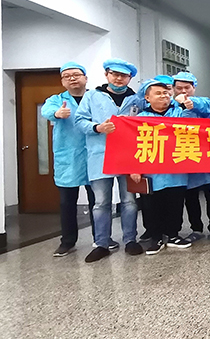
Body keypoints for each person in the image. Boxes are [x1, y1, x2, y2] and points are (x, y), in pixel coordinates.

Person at [75, 58, 143, 263]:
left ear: (130, 78)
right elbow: (79, 121)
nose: (119, 79)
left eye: (124, 75)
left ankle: (130, 240)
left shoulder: (137, 100)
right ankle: (101, 244)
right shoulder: (92, 96)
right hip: (100, 156)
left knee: (129, 201)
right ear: (107, 74)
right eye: (115, 74)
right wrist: (97, 128)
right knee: (101, 203)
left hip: (129, 157)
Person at [130, 79, 193, 254]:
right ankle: (156, 237)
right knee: (151, 205)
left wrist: (189, 106)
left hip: (176, 169)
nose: (163, 96)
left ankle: (173, 235)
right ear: (147, 98)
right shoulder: (139, 119)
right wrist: (134, 168)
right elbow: (132, 145)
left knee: (175, 202)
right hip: (151, 172)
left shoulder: (179, 113)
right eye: (158, 93)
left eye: (166, 93)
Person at [42, 62, 96, 257]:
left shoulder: (95, 98)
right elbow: (46, 111)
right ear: (62, 81)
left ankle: (100, 239)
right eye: (67, 76)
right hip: (68, 158)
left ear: (85, 78)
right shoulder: (56, 100)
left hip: (94, 155)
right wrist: (57, 113)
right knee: (67, 203)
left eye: (76, 74)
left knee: (97, 201)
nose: (72, 78)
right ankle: (67, 241)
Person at [172, 71, 210, 242]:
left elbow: (206, 107)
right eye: (179, 88)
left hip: (205, 154)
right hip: (184, 153)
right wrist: (177, 104)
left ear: (194, 88)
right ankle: (196, 228)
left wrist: (191, 103)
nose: (183, 91)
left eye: (187, 88)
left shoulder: (201, 102)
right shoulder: (171, 106)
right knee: (190, 195)